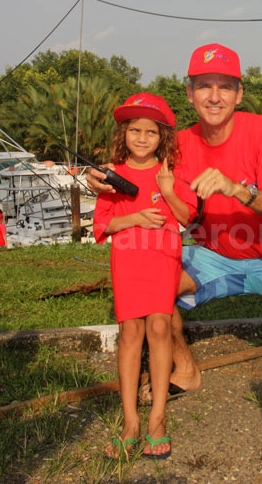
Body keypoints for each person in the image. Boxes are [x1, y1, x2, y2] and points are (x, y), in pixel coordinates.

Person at [87, 43, 262, 399]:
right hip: (213, 256)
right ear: (189, 93)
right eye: (204, 86)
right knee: (154, 287)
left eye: (225, 86)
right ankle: (185, 368)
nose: (214, 96)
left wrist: (237, 189)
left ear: (239, 93)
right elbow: (136, 166)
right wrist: (99, 180)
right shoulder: (180, 143)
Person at [91, 92, 196, 461]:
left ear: (162, 136)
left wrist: (167, 190)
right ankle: (130, 421)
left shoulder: (172, 173)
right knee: (130, 333)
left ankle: (157, 418)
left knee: (160, 328)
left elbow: (186, 217)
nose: (141, 138)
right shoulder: (112, 176)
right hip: (128, 260)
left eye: (150, 132)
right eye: (134, 130)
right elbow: (102, 224)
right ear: (124, 133)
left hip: (162, 259)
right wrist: (134, 219)